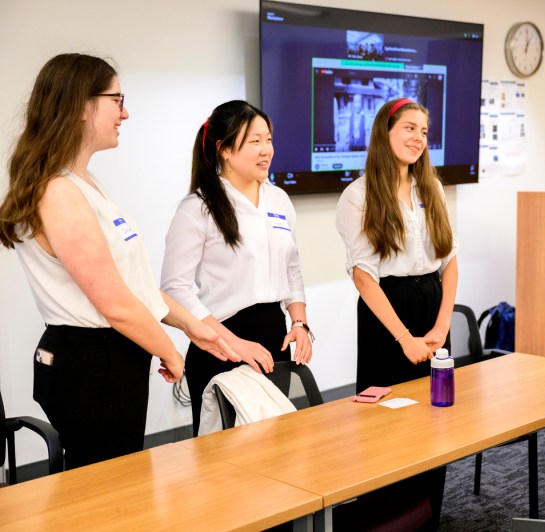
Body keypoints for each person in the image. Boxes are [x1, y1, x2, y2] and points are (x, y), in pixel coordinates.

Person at [0, 53, 239, 470]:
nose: (124, 113)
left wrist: (194, 328)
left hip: (110, 358)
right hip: (91, 362)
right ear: (80, 106)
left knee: (122, 482)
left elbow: (135, 288)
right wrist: (170, 351)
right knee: (107, 492)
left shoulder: (84, 183)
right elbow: (115, 304)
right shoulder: (58, 192)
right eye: (117, 99)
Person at [335, 98, 457, 530]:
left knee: (436, 420)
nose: (418, 139)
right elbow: (365, 277)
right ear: (384, 134)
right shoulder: (359, 195)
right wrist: (404, 338)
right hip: (387, 314)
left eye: (424, 132)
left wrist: (443, 324)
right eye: (409, 128)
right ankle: (391, 520)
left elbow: (450, 261)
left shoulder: (431, 188)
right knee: (389, 428)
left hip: (431, 307)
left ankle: (431, 518)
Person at [161, 100, 313, 436]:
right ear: (225, 149)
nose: (266, 150)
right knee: (228, 464)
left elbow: (292, 270)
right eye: (254, 141)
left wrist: (300, 322)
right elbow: (174, 290)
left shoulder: (279, 201)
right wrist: (234, 344)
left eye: (269, 140)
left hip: (273, 341)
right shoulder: (197, 208)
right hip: (220, 345)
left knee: (278, 448)